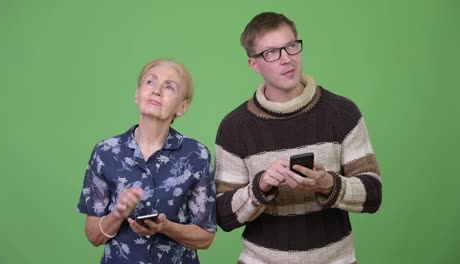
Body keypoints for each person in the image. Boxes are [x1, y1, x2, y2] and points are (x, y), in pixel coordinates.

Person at [215, 12, 382, 264]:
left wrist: (328, 184)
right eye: (272, 52)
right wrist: (259, 188)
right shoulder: (234, 127)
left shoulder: (342, 112)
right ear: (254, 64)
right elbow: (224, 216)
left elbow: (373, 194)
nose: (287, 59)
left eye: (291, 46)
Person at [77, 58, 216, 264]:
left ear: (182, 107)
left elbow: (205, 237)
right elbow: (93, 236)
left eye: (169, 87)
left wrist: (165, 227)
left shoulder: (196, 155)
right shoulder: (105, 152)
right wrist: (118, 214)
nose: (156, 90)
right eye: (150, 82)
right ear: (137, 94)